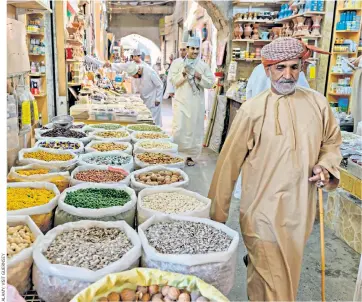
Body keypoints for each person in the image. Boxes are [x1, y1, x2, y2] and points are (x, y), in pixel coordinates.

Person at [208, 37, 342, 301]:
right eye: (280, 67)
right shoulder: (252, 111)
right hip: (262, 212)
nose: (288, 75)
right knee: (275, 284)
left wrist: (325, 166)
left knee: (280, 276)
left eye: (294, 67)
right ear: (267, 70)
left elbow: (331, 142)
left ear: (302, 67)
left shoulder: (318, 104)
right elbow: (228, 166)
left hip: (299, 212)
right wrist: (216, 218)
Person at [169, 37, 215, 166]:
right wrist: (184, 74)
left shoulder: (203, 66)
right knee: (179, 129)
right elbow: (173, 81)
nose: (195, 51)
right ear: (187, 49)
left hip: (196, 104)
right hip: (181, 101)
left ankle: (190, 156)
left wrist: (199, 76)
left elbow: (211, 83)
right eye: (192, 48)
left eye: (197, 49)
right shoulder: (177, 64)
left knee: (194, 130)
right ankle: (177, 154)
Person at [126, 62, 163, 126]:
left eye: (135, 76)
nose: (136, 78)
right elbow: (140, 85)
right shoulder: (138, 73)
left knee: (154, 121)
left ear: (138, 71)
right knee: (146, 121)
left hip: (153, 100)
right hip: (145, 99)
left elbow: (160, 85)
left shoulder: (150, 72)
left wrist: (158, 99)